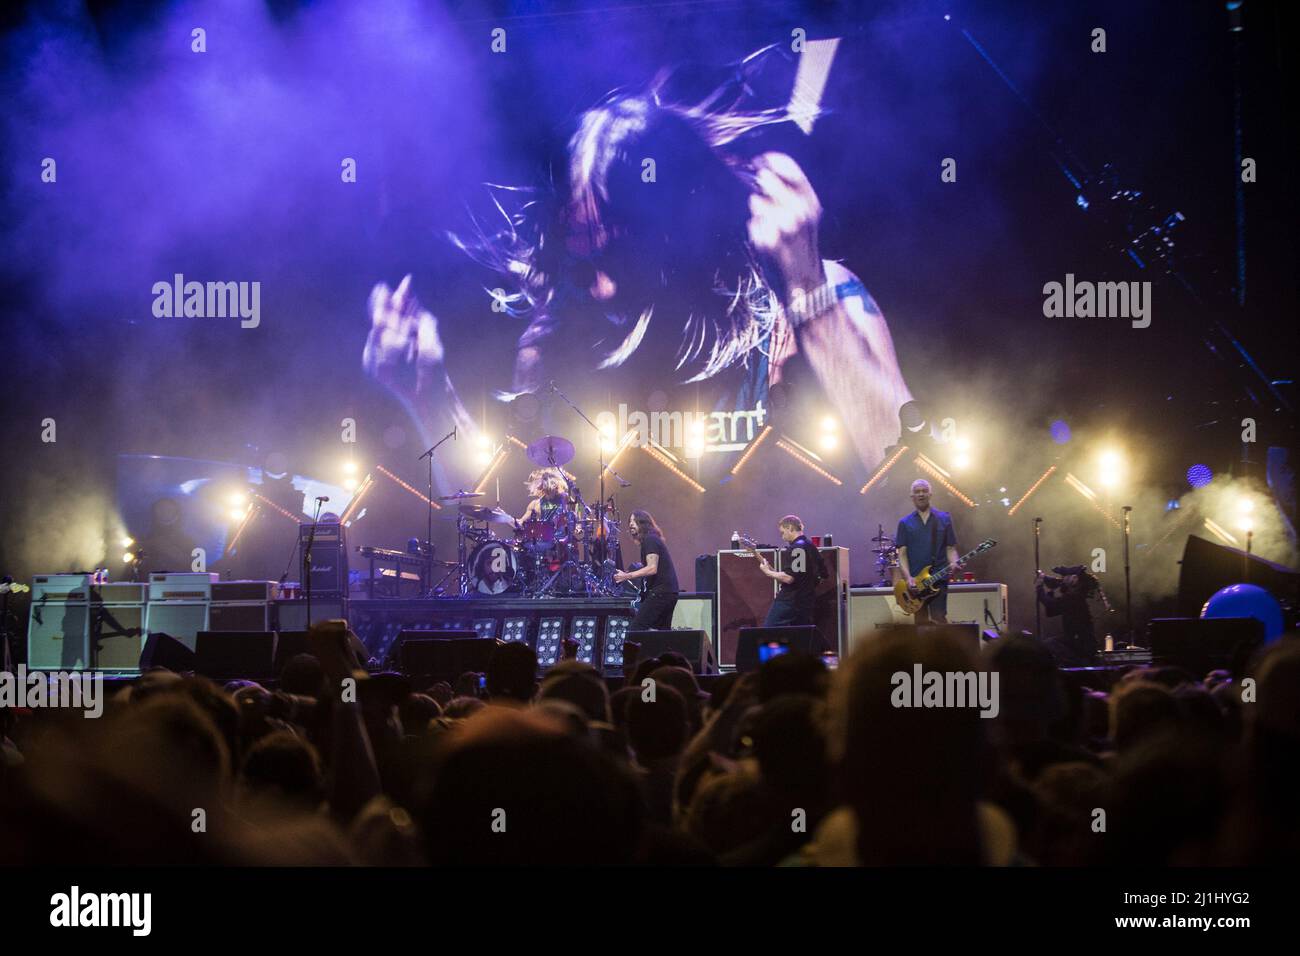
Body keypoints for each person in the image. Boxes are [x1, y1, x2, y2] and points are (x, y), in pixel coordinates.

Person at [362, 48, 914, 493]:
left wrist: (808, 287)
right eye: (582, 261)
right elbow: (513, 526)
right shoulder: (558, 335)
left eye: (619, 257)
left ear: (680, 231)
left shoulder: (800, 298)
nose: (600, 286)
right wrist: (431, 397)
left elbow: (912, 479)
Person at [894, 479, 960, 624]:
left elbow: (950, 548)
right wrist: (908, 577)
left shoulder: (944, 518)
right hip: (916, 584)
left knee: (939, 618)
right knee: (921, 624)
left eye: (924, 491)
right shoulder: (905, 523)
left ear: (930, 494)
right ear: (912, 497)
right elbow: (902, 554)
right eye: (917, 492)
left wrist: (954, 562)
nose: (921, 494)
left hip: (939, 578)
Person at [614, 510, 679, 630]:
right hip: (669, 592)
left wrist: (626, 576)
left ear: (643, 523)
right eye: (630, 521)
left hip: (660, 593)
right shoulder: (651, 540)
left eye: (635, 521)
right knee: (661, 634)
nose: (631, 524)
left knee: (637, 630)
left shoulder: (650, 540)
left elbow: (652, 568)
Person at [755, 515, 820, 627]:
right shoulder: (810, 546)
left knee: (770, 630)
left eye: (783, 532)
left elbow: (789, 578)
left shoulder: (797, 549)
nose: (782, 536)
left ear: (790, 527)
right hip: (805, 601)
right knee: (797, 636)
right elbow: (819, 575)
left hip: (790, 601)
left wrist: (767, 572)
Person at [1035, 565, 1101, 666]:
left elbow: (1050, 604)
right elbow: (1051, 612)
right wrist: (1051, 591)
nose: (1063, 579)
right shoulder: (1073, 597)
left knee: (1049, 645)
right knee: (1049, 645)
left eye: (1066, 576)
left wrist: (1039, 587)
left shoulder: (1074, 598)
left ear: (1074, 578)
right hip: (1076, 642)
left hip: (1081, 644)